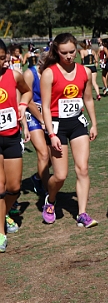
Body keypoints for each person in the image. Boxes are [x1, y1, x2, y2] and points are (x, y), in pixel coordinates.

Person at [40, 33, 99, 228]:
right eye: (64, 52)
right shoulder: (49, 73)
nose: (68, 56)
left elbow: (88, 99)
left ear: (77, 50)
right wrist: (51, 134)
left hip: (77, 124)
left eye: (72, 52)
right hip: (56, 126)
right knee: (60, 176)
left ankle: (82, 213)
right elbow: (46, 107)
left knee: (82, 168)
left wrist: (94, 123)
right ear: (56, 51)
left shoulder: (84, 72)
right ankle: (50, 200)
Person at [0, 39, 34, 252]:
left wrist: (22, 106)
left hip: (12, 137)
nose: (1, 63)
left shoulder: (13, 75)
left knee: (14, 187)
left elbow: (27, 91)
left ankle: (4, 214)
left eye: (2, 58)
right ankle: (1, 232)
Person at [23, 54, 51, 197]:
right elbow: (28, 100)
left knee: (53, 158)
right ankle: (47, 192)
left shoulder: (52, 72)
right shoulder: (29, 74)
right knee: (44, 154)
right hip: (32, 115)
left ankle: (37, 178)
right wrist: (41, 120)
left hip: (48, 115)